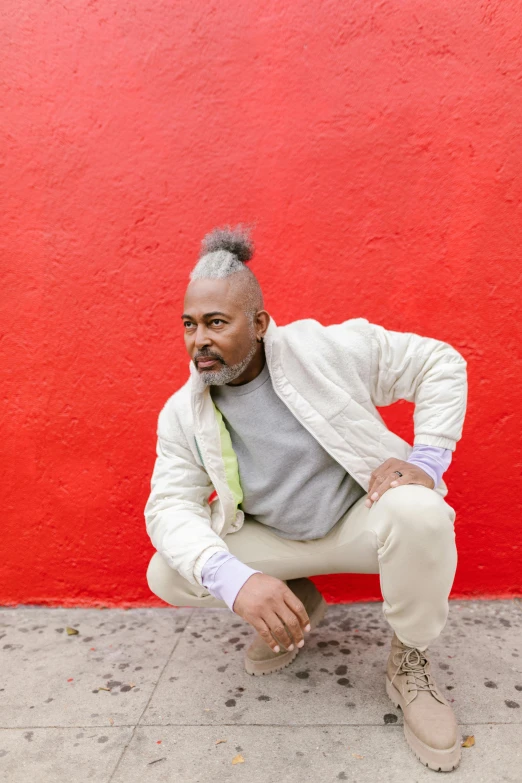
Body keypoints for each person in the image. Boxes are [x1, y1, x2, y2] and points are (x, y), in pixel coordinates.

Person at [145, 224, 468, 772]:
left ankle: (409, 658)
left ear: (261, 324)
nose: (199, 340)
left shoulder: (328, 348)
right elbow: (168, 506)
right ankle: (294, 600)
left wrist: (426, 460)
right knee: (170, 572)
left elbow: (439, 362)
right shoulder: (184, 411)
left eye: (217, 323)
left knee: (422, 512)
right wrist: (238, 579)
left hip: (358, 523)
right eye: (189, 324)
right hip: (276, 540)